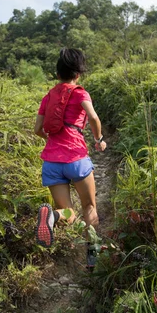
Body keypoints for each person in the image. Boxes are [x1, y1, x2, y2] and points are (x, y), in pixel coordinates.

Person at [33, 48, 107, 269]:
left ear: (58, 74)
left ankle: (54, 216)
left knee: (70, 214)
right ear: (78, 74)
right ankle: (93, 257)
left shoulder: (49, 96)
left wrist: (52, 139)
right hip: (76, 159)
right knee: (89, 207)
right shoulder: (80, 93)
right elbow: (93, 117)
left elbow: (37, 129)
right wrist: (98, 138)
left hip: (51, 164)